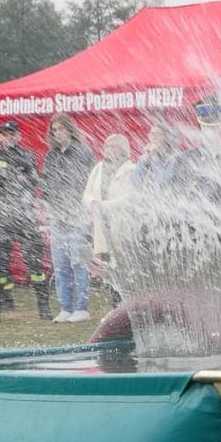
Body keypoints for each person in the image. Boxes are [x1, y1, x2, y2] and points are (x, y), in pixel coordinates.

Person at [0, 120, 51, 320]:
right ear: (0, 137)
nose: (9, 137)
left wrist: (10, 178)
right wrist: (13, 177)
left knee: (35, 264)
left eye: (12, 134)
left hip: (25, 217)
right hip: (2, 218)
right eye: (5, 134)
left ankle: (44, 308)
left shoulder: (28, 155)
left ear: (19, 136)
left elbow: (35, 181)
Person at [41, 113, 95, 323]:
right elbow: (46, 182)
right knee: (60, 264)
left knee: (78, 263)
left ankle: (81, 308)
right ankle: (65, 308)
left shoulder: (83, 151)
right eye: (54, 130)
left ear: (70, 130)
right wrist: (47, 205)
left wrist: (84, 208)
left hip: (77, 215)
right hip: (57, 216)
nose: (58, 133)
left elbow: (90, 181)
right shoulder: (51, 155)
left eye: (61, 129)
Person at [83, 133, 135, 307]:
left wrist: (105, 205)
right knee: (108, 268)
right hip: (102, 224)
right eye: (107, 146)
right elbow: (87, 192)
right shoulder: (99, 168)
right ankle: (115, 306)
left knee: (122, 267)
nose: (109, 150)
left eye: (114, 146)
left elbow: (129, 198)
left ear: (123, 149)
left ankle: (126, 305)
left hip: (121, 225)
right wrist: (92, 203)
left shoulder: (131, 169)